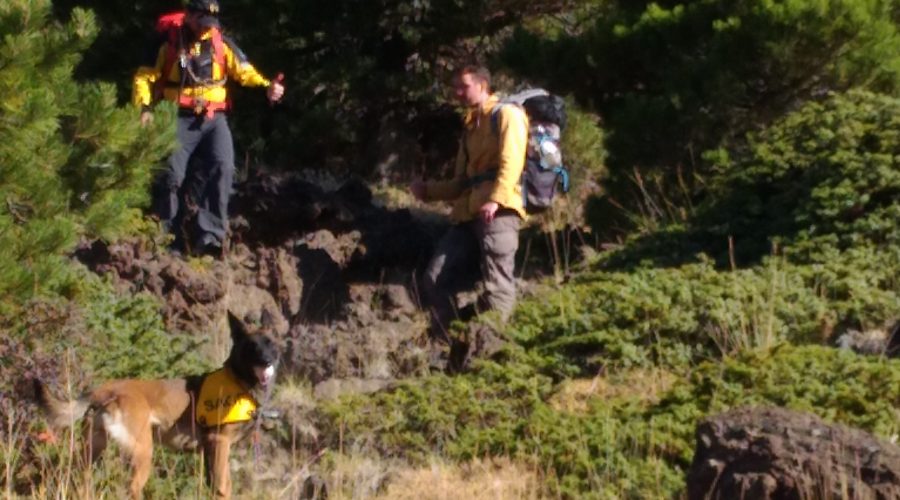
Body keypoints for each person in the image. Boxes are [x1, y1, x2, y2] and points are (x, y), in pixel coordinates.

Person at [133, 0, 284, 256]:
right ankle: (166, 239)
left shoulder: (219, 42)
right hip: (177, 116)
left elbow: (244, 72)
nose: (206, 29)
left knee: (223, 168)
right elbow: (143, 77)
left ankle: (211, 237)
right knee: (171, 176)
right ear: (189, 16)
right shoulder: (168, 41)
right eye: (202, 23)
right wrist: (144, 110)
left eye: (211, 25)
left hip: (214, 119)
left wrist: (268, 86)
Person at [410, 65, 528, 345]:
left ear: (483, 84)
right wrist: (427, 191)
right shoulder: (471, 125)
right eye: (456, 88)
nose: (458, 93)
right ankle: (449, 345)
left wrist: (495, 200)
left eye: (463, 86)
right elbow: (462, 182)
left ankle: (491, 349)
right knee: (435, 277)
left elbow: (513, 163)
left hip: (499, 212)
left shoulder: (508, 115)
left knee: (497, 282)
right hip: (468, 214)